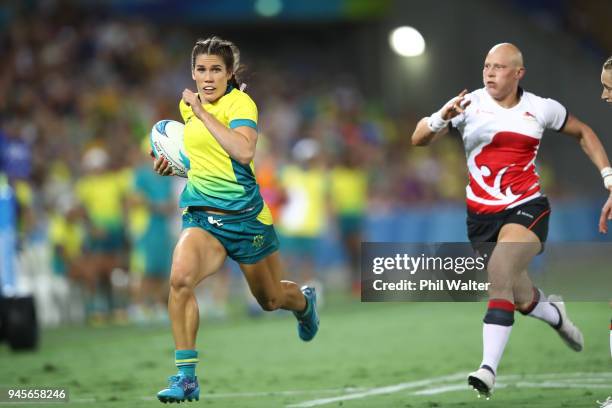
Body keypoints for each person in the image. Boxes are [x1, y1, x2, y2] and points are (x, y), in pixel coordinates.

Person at [411, 43, 612, 398]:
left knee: (499, 272)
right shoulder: (467, 104)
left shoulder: (541, 108)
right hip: (480, 218)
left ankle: (487, 369)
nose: (489, 72)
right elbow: (419, 139)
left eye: (499, 67)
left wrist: (608, 176)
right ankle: (556, 315)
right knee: (517, 294)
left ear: (518, 73)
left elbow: (583, 132)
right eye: (486, 65)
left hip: (528, 208)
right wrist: (441, 117)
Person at [154, 36, 319, 403]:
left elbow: (243, 152)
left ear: (229, 74)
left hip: (246, 221)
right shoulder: (188, 109)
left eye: (216, 70)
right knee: (180, 280)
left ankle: (304, 303)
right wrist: (172, 166)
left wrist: (201, 112)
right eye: (201, 69)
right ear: (192, 72)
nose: (207, 77)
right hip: (202, 218)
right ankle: (186, 377)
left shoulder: (240, 104)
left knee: (271, 300)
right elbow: (199, 158)